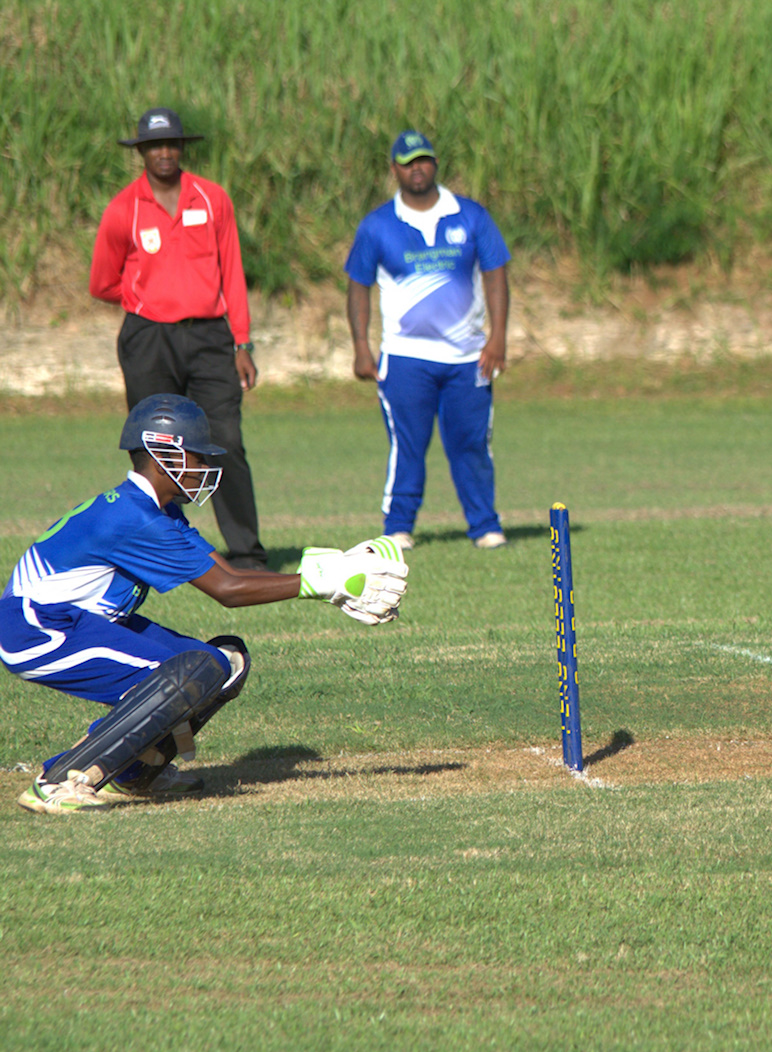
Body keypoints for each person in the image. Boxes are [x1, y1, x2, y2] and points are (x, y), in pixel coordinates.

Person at [3, 394, 409, 814]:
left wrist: (333, 572)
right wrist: (324, 583)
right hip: (37, 628)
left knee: (226, 661)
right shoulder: (135, 517)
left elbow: (230, 573)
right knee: (196, 670)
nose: (204, 468)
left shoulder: (157, 512)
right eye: (197, 457)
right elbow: (227, 590)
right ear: (164, 454)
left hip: (72, 621)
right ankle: (58, 781)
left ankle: (132, 774)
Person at [89, 107, 270, 570]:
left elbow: (233, 273)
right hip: (148, 339)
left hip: (210, 337)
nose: (164, 153)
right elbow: (102, 283)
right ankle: (159, 550)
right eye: (154, 146)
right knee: (154, 447)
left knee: (225, 438)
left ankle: (247, 554)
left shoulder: (211, 200)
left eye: (172, 144)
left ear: (182, 148)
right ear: (142, 153)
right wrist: (147, 300)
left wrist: (242, 342)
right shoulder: (123, 209)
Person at [345, 130, 512, 551]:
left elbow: (496, 275)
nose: (416, 168)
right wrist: (362, 347)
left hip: (468, 357)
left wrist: (498, 338)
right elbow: (358, 286)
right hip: (406, 358)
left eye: (423, 159)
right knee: (408, 446)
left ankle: (485, 526)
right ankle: (398, 528)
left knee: (471, 443)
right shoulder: (378, 225)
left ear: (435, 163)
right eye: (407, 161)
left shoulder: (471, 216)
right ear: (394, 169)